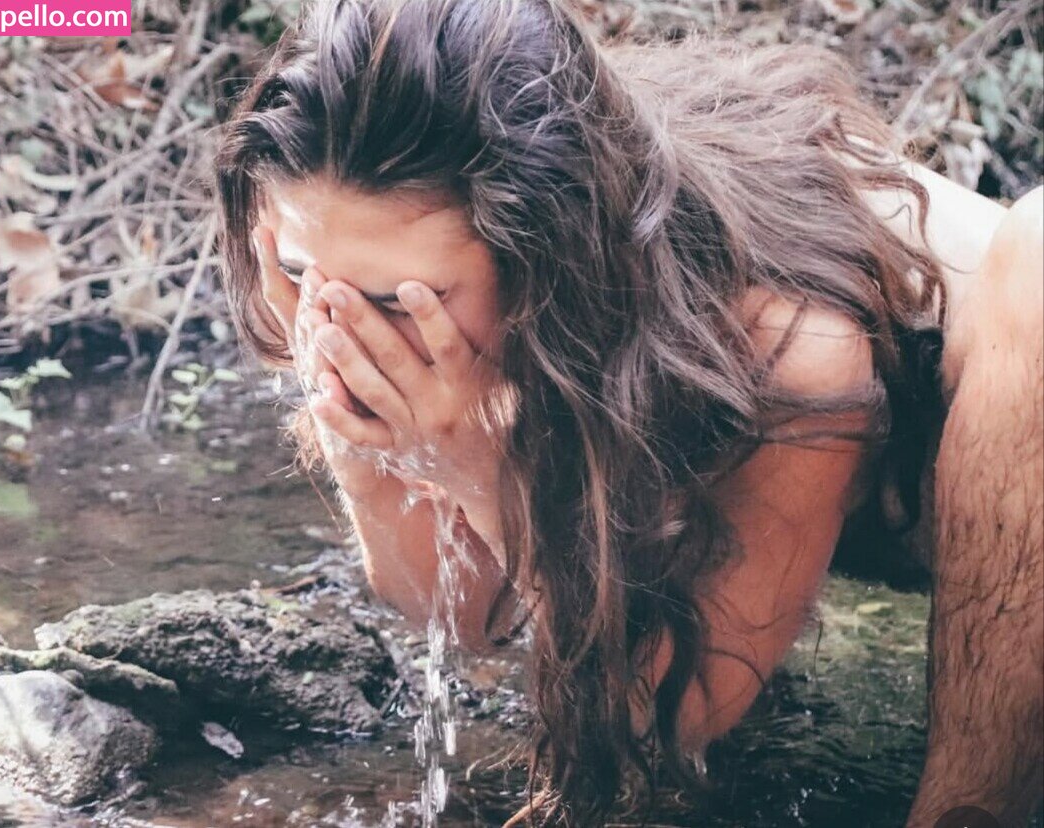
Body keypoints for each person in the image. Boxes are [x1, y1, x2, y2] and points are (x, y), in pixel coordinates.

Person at [214, 0, 1044, 825]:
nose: (344, 329)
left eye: (398, 300)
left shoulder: (787, 342)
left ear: (544, 256)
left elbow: (675, 720)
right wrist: (363, 443)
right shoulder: (399, 273)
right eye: (302, 272)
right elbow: (463, 619)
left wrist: (483, 480)